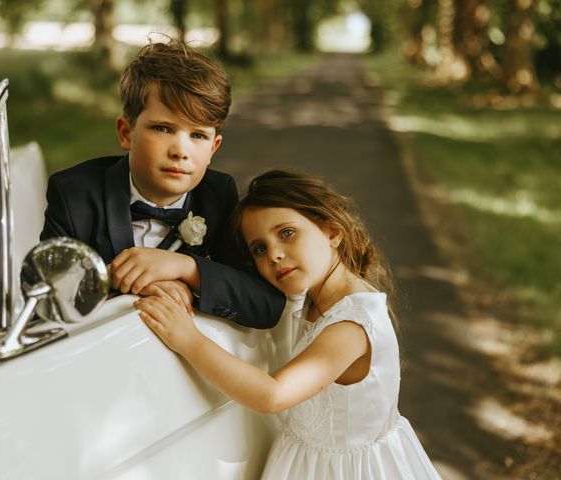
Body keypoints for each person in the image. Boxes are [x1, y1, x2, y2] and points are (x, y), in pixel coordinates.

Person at [135, 170, 442, 479]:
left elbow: (272, 396)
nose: (275, 256)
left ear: (332, 232)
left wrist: (189, 340)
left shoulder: (351, 326)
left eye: (286, 233)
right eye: (260, 248)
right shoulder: (310, 298)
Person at [40, 40, 284, 328]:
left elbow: (265, 304)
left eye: (198, 136)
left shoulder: (219, 195)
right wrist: (121, 282)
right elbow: (44, 299)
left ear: (213, 148)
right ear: (126, 133)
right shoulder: (74, 194)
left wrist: (188, 270)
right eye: (163, 128)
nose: (180, 150)